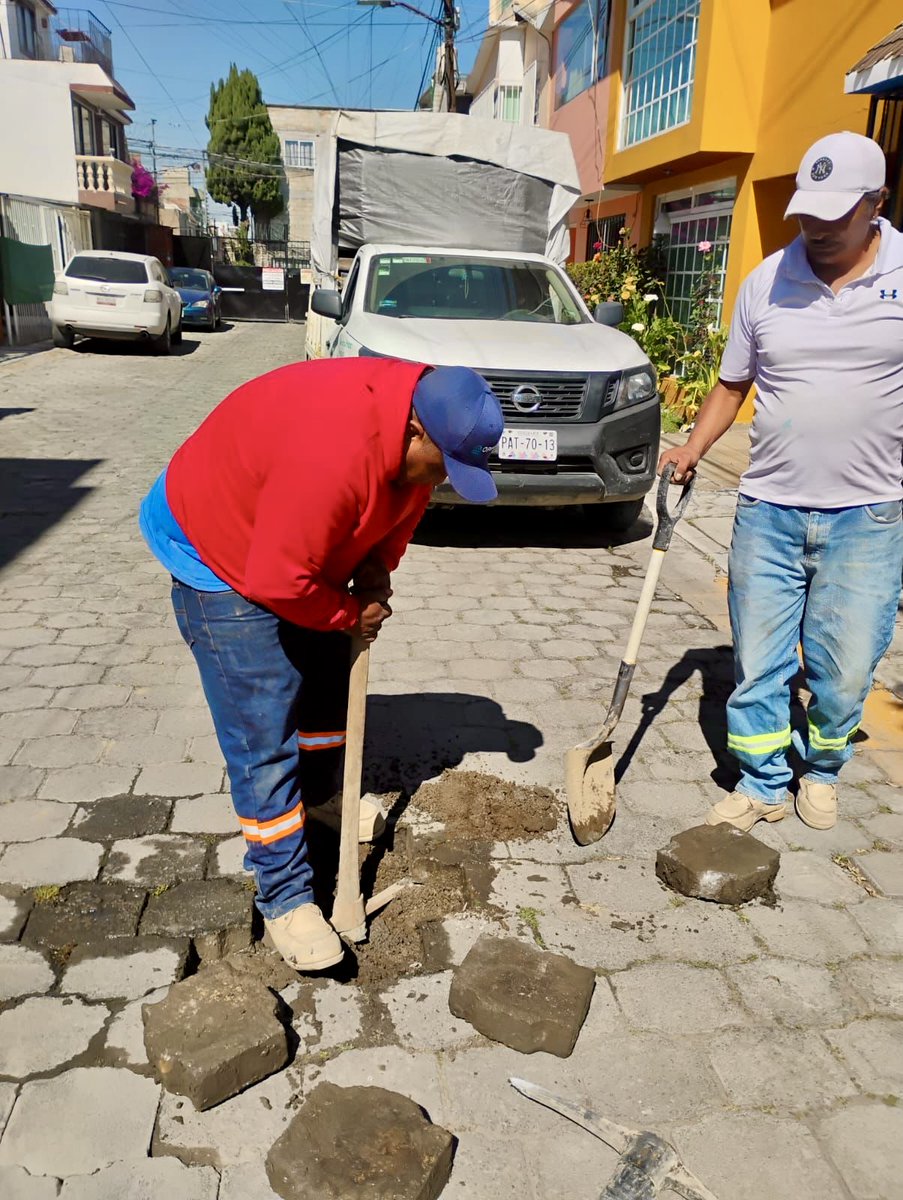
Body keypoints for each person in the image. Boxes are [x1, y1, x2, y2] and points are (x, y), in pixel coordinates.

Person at [139, 358, 503, 971]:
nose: (441, 482)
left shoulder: (416, 427)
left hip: (291, 536)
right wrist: (344, 615)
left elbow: (405, 502)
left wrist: (377, 574)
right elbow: (276, 578)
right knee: (265, 729)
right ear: (416, 431)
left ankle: (323, 804)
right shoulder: (331, 456)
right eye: (443, 466)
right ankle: (285, 897)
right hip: (217, 551)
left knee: (325, 690)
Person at [659, 131, 903, 833]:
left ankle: (820, 768)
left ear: (875, 202)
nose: (817, 229)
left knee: (847, 668)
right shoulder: (764, 280)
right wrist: (691, 447)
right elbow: (731, 383)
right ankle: (762, 781)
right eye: (808, 214)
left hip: (869, 513)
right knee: (758, 663)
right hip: (768, 507)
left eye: (836, 214)